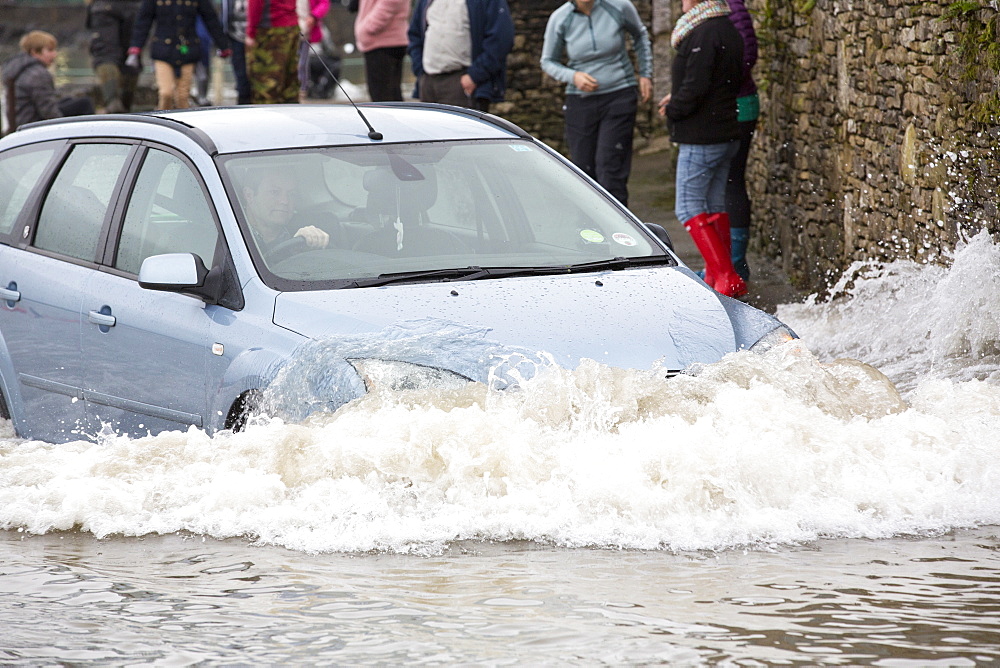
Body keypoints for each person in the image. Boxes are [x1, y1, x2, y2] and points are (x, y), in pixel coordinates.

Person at [657, 0, 746, 298]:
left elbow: (696, 86)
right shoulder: (726, 26)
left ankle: (725, 275)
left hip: (702, 136)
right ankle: (715, 275)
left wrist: (674, 109)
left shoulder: (705, 32)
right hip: (725, 131)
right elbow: (717, 82)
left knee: (688, 206)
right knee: (714, 203)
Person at [541, 0, 653, 208]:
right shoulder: (560, 18)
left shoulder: (619, 7)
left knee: (610, 167)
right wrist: (573, 76)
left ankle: (621, 232)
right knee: (583, 170)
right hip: (580, 101)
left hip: (619, 94)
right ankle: (590, 230)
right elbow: (547, 61)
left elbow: (640, 35)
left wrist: (645, 74)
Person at [407, 0, 514, 113]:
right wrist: (420, 70)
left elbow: (501, 39)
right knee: (427, 130)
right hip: (428, 81)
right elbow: (414, 34)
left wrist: (475, 76)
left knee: (461, 130)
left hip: (461, 81)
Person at [127, 0, 230, 110]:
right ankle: (163, 121)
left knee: (182, 96)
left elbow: (211, 19)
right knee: (166, 93)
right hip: (163, 51)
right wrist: (136, 47)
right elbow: (143, 21)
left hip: (187, 50)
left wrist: (223, 45)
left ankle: (182, 124)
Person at [2, 31, 95, 133]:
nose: (54, 54)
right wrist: (64, 130)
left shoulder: (18, 68)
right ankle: (89, 136)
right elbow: (48, 112)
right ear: (35, 52)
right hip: (32, 124)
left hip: (20, 121)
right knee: (85, 104)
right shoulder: (37, 74)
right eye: (50, 50)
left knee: (68, 100)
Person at [726, 0, 758, 282]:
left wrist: (713, 87)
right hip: (728, 106)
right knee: (727, 183)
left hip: (738, 106)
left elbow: (746, 57)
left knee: (731, 182)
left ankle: (735, 267)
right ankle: (730, 267)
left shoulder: (733, 8)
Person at [242, 171, 329, 255]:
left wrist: (311, 244)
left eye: (292, 194)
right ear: (249, 195)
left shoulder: (306, 230)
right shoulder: (232, 237)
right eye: (274, 192)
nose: (285, 201)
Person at [86, 0, 141, 113]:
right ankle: (119, 107)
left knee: (111, 54)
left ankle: (115, 106)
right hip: (131, 7)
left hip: (106, 8)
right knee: (130, 55)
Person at [246, 0, 301, 103]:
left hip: (271, 29)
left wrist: (251, 32)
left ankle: (268, 116)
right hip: (291, 26)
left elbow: (255, 3)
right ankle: (291, 113)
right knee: (289, 82)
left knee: (266, 83)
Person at [355, 0, 410, 102]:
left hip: (384, 41)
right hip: (380, 40)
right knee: (386, 95)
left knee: (384, 99)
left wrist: (367, 28)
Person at [221, 0, 252, 104]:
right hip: (235, 37)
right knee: (241, 75)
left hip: (257, 36)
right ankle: (243, 102)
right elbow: (225, 16)